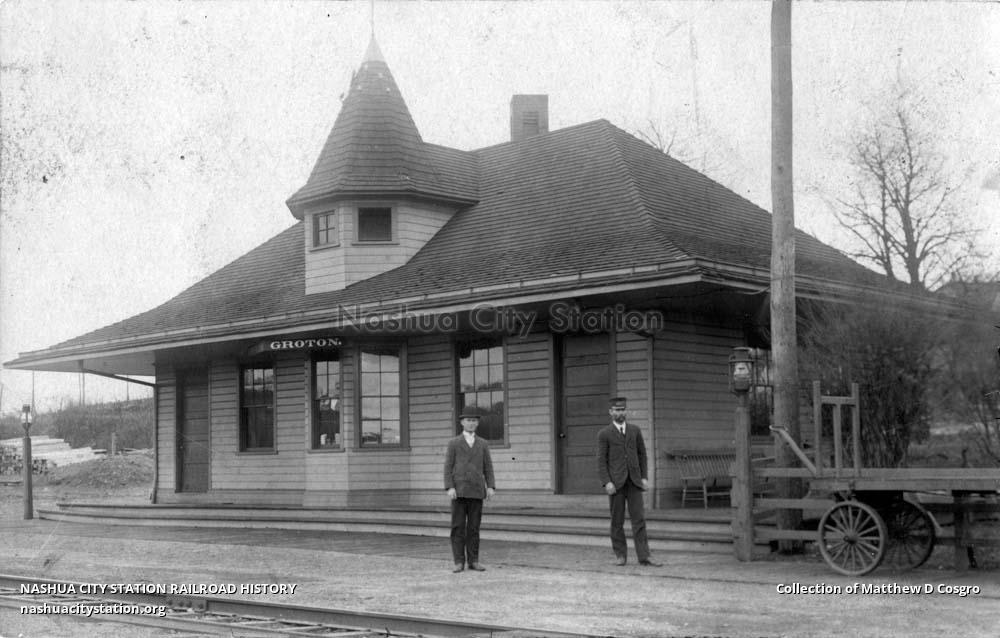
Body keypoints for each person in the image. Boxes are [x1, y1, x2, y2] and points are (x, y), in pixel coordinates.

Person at [596, 396, 661, 567]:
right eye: (617, 410)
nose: (620, 413)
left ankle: (644, 556)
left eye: (623, 410)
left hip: (634, 482)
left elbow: (642, 455)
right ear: (611, 412)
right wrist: (607, 482)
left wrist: (644, 477)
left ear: (626, 411)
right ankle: (620, 555)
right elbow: (601, 461)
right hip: (616, 484)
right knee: (617, 521)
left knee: (639, 519)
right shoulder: (604, 434)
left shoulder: (635, 430)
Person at [443, 408, 496, 573]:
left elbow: (488, 467)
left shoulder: (483, 444)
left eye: (474, 421)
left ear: (478, 423)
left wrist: (490, 486)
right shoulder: (454, 443)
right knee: (458, 526)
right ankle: (459, 561)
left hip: (476, 491)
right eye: (468, 420)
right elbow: (448, 467)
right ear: (462, 422)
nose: (471, 423)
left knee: (474, 528)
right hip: (459, 491)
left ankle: (473, 561)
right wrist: (450, 487)